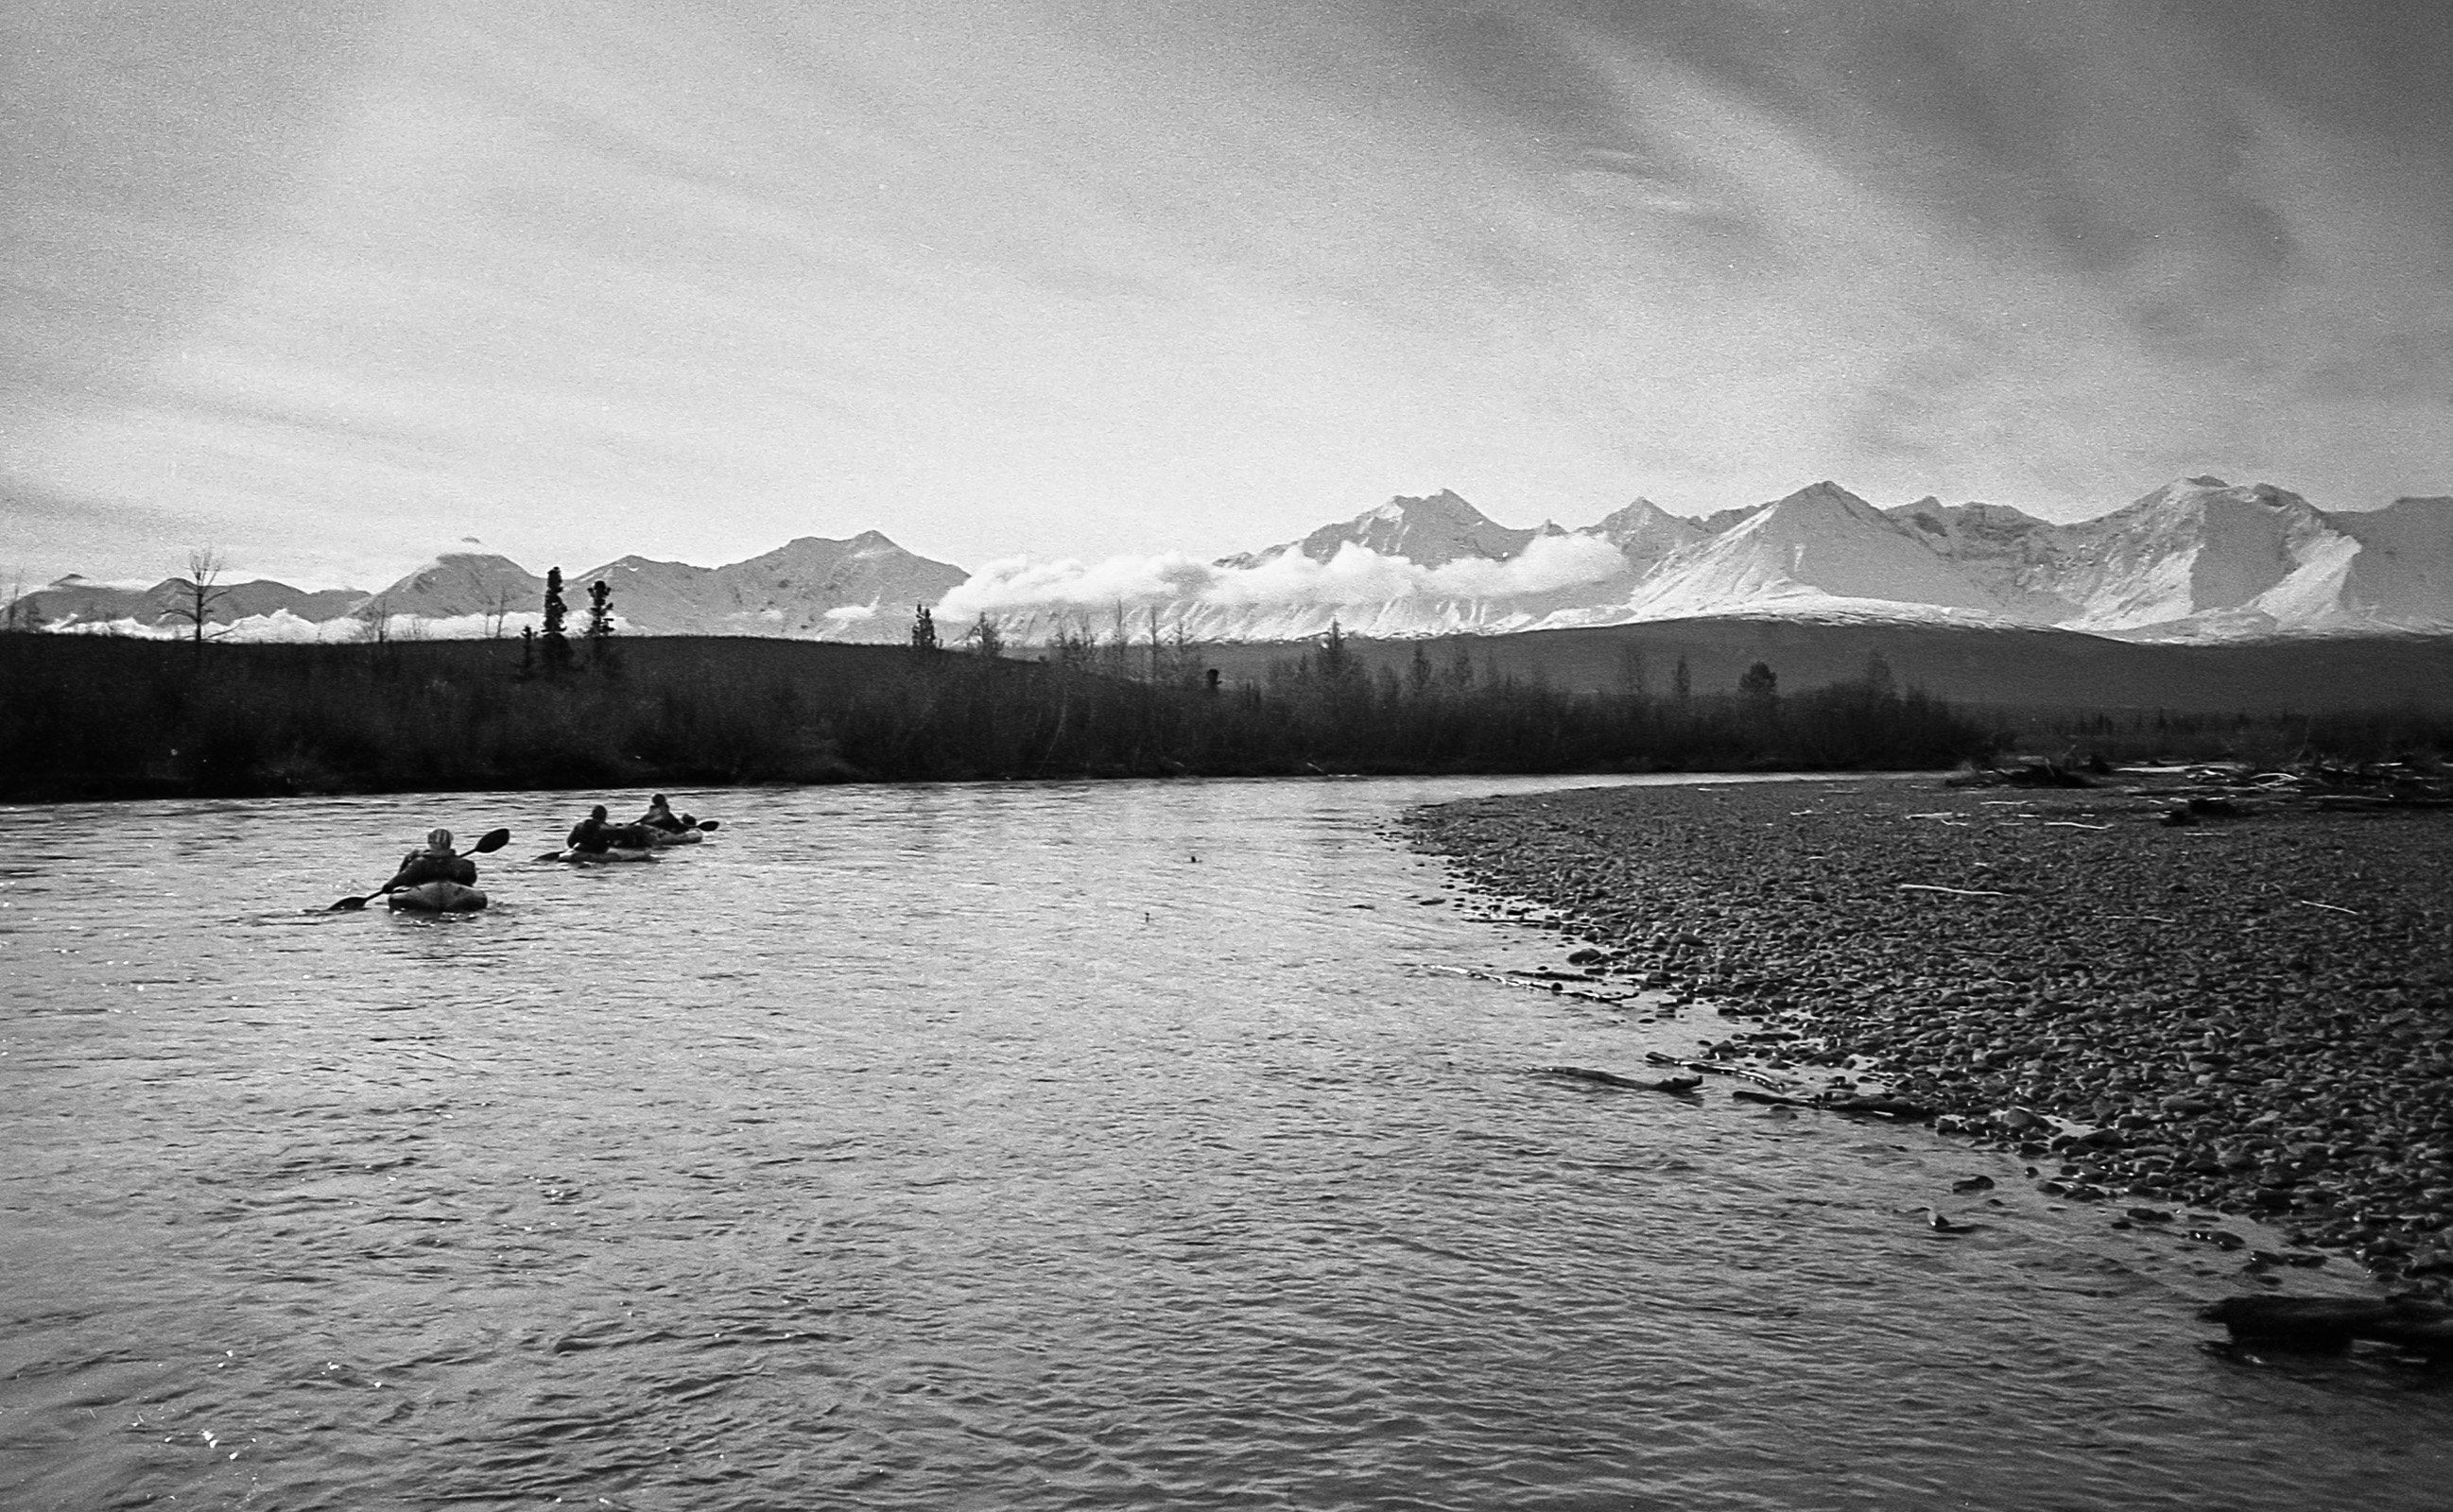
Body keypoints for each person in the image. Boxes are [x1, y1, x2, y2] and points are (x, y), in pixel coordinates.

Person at [382, 828, 477, 892]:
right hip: (454, 895)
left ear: (431, 844)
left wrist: (389, 885)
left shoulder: (419, 863)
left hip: (423, 894)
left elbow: (404, 877)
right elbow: (471, 880)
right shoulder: (465, 864)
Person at [566, 804, 638, 854]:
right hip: (592, 850)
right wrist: (626, 828)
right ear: (603, 816)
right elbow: (617, 831)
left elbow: (570, 841)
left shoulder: (579, 825)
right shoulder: (600, 826)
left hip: (579, 847)